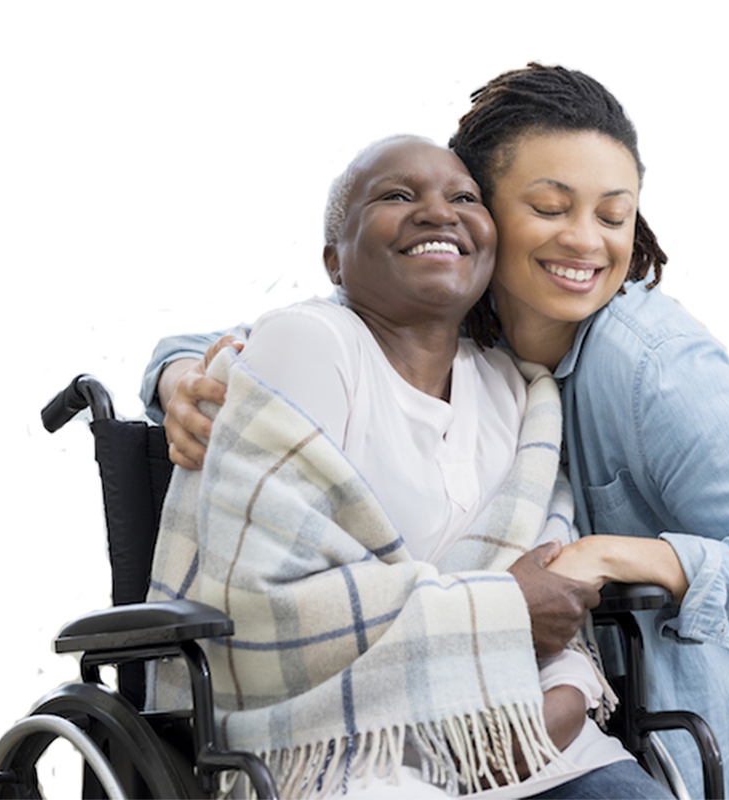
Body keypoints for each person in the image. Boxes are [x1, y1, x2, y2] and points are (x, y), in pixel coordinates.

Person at [142, 66, 729, 799]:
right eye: (549, 207)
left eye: (613, 217)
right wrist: (179, 373)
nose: (585, 241)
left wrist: (607, 554)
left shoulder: (653, 366)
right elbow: (288, 333)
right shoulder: (456, 328)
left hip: (727, 704)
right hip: (489, 691)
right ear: (487, 211)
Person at [146, 135, 665, 800]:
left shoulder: (518, 390)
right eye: (396, 195)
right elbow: (266, 600)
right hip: (343, 744)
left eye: (464, 199)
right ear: (334, 260)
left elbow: (554, 600)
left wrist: (556, 705)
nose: (439, 212)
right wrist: (500, 609)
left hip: (516, 724)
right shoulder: (312, 343)